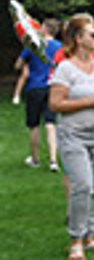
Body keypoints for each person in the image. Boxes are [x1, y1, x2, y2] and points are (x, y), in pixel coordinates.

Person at [48, 14, 94, 260]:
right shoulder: (65, 68)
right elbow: (55, 104)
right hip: (73, 135)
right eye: (92, 34)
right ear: (78, 39)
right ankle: (75, 240)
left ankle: (90, 236)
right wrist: (92, 101)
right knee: (83, 186)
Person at [13, 18, 62, 171]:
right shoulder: (60, 47)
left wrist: (26, 60)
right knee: (50, 124)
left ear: (45, 29)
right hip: (52, 86)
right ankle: (53, 160)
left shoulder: (33, 44)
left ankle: (35, 159)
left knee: (34, 125)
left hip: (34, 87)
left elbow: (18, 65)